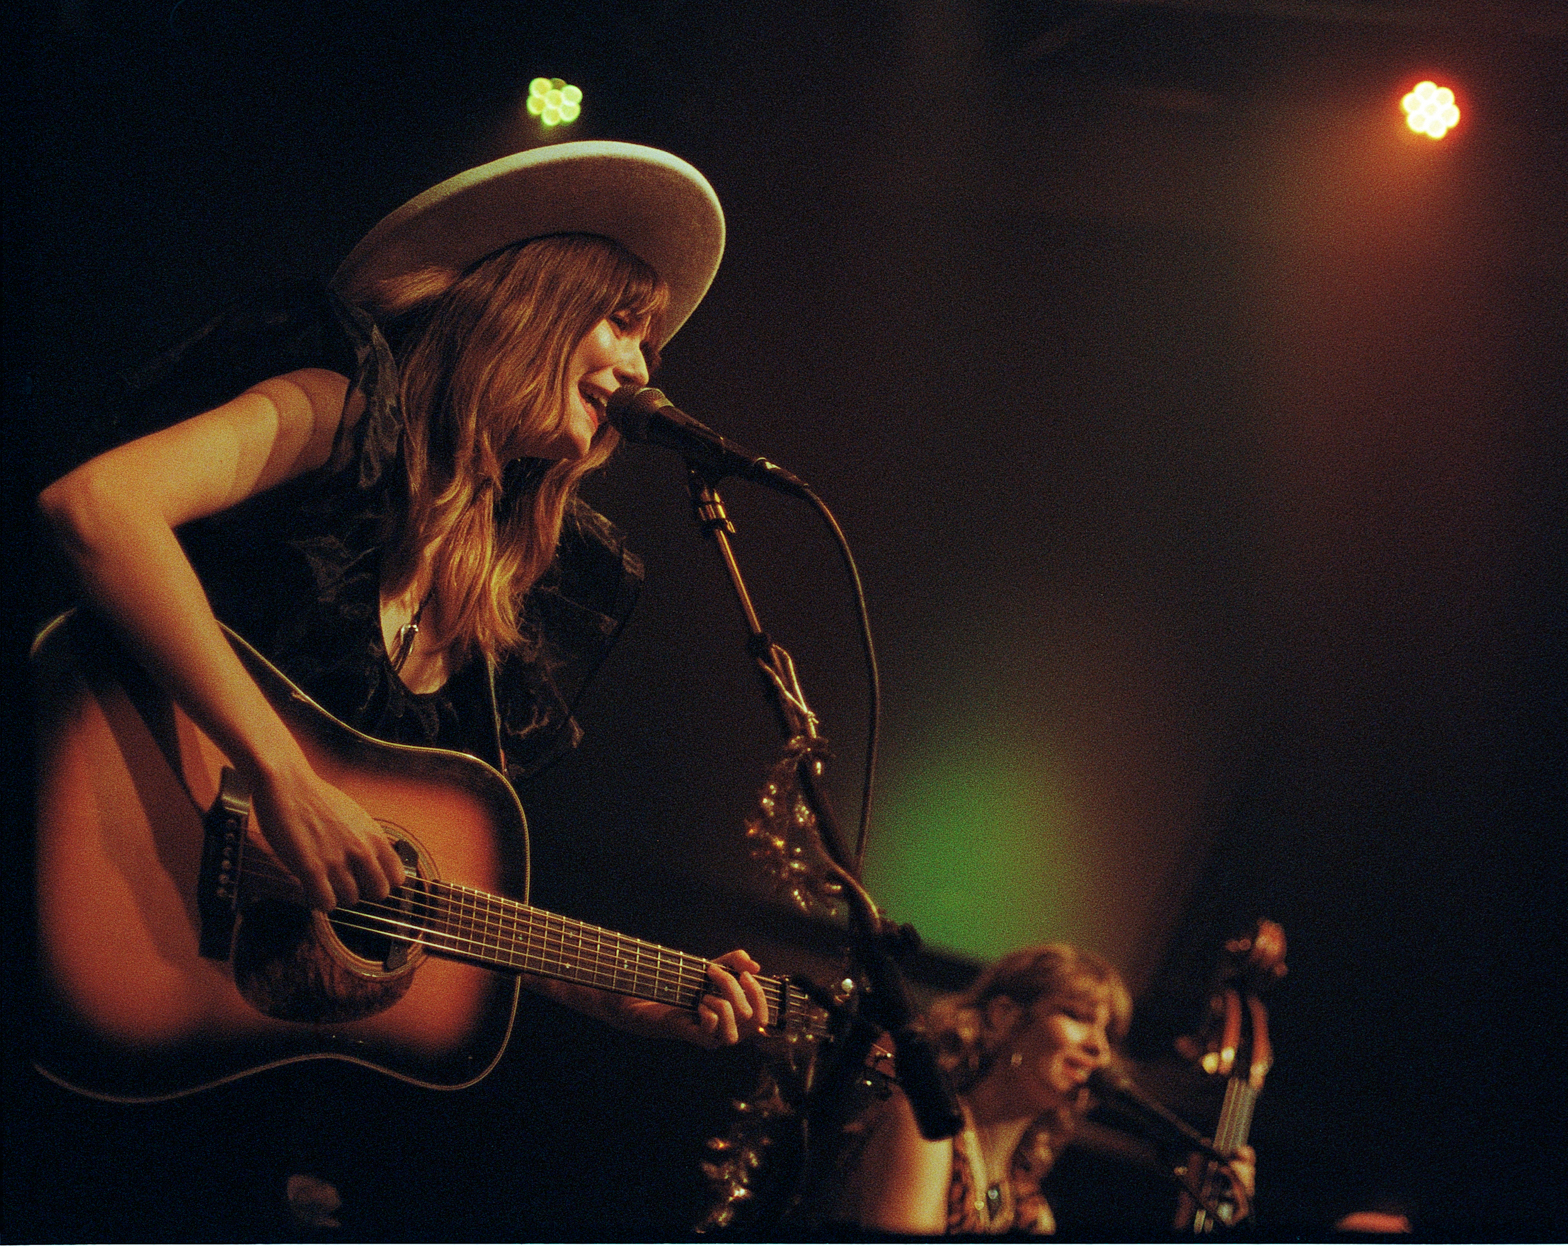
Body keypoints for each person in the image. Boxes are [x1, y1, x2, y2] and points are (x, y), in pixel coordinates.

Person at [37, 140, 768, 1048]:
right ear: (529, 307)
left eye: (648, 343)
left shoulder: (500, 583)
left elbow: (408, 890)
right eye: (621, 322)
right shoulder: (333, 411)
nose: (640, 370)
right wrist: (283, 775)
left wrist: (617, 997)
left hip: (198, 1014)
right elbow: (97, 507)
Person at [824, 943, 1254, 1235]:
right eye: (1076, 1016)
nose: (1098, 1048)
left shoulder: (1026, 1206)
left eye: (1108, 1032)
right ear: (1003, 1017)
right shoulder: (926, 1124)